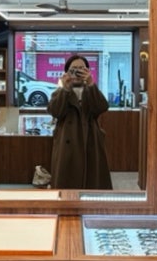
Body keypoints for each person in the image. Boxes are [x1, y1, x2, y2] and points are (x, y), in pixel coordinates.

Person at [47, 55, 113, 189]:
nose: (77, 72)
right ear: (66, 72)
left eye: (81, 69)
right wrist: (65, 89)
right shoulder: (60, 92)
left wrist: (91, 84)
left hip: (91, 141)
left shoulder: (91, 91)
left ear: (87, 71)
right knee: (66, 184)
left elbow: (102, 107)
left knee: (92, 183)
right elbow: (55, 111)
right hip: (67, 146)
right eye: (73, 69)